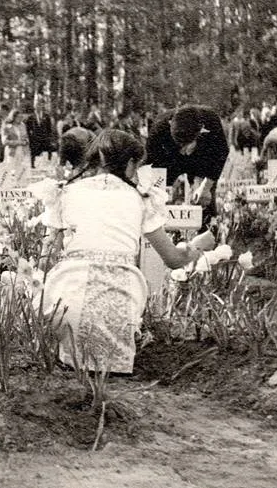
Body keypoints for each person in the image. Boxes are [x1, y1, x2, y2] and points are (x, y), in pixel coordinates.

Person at [33, 129, 203, 374]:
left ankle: (65, 349)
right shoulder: (141, 199)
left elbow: (46, 259)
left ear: (99, 159)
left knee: (59, 297)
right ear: (131, 162)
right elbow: (174, 260)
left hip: (70, 303)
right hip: (120, 307)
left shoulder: (64, 193)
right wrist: (197, 248)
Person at [145, 104, 229, 228]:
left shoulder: (210, 119)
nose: (184, 152)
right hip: (169, 160)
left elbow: (222, 153)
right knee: (158, 202)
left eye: (186, 145)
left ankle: (207, 236)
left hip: (201, 158)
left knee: (204, 201)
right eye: (180, 145)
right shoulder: (158, 130)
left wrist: (206, 186)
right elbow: (151, 168)